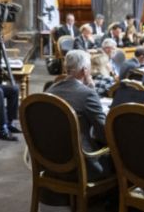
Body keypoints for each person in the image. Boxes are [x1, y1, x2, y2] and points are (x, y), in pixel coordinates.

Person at [46, 50, 112, 180]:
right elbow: (104, 133)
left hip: (50, 158)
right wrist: (91, 89)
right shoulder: (87, 94)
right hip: (80, 163)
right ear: (85, 71)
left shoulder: (50, 90)